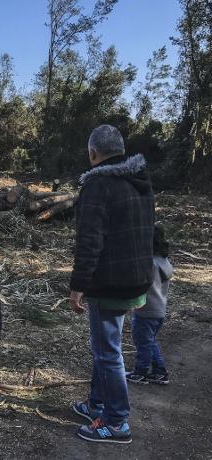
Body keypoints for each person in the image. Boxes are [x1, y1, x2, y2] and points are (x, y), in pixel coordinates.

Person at [69, 125, 155, 444]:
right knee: (106, 348)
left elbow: (89, 241)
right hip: (134, 280)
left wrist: (78, 285)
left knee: (107, 352)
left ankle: (117, 421)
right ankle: (97, 403)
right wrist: (145, 283)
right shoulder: (140, 182)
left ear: (94, 153)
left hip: (110, 283)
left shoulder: (98, 185)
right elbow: (148, 234)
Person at [126, 224, 173, 385]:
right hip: (159, 310)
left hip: (146, 310)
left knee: (143, 342)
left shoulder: (150, 264)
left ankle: (141, 372)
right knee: (150, 341)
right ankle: (160, 372)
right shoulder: (164, 261)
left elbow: (142, 284)